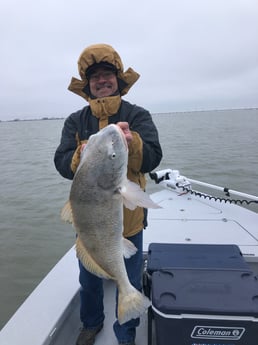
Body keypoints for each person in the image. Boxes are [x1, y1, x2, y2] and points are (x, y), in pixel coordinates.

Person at [54, 43, 162, 345]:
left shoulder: (138, 115)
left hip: (129, 224)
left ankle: (125, 332)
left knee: (129, 277)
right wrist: (80, 155)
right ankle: (91, 323)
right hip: (88, 225)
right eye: (95, 77)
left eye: (107, 74)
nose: (102, 81)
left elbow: (153, 158)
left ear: (118, 79)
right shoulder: (75, 121)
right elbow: (62, 164)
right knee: (88, 283)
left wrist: (133, 143)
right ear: (87, 85)